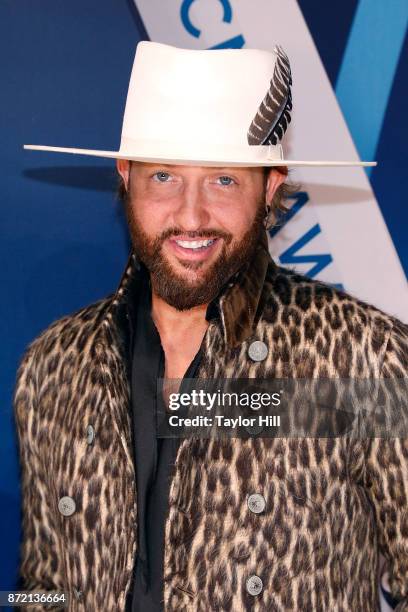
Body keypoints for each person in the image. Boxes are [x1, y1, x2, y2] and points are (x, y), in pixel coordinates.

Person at [14, 40, 408, 611]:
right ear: (125, 177)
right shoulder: (54, 367)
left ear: (270, 187)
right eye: (164, 177)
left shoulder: (367, 358)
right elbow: (42, 590)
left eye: (224, 180)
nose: (191, 216)